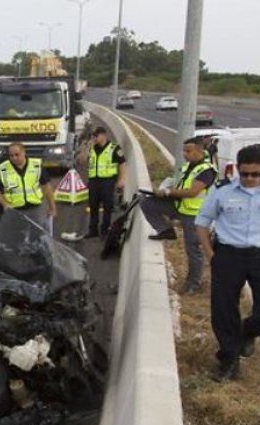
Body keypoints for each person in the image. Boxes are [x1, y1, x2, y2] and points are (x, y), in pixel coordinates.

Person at [195, 144, 260, 382]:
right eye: (245, 174)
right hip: (227, 255)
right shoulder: (223, 192)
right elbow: (202, 222)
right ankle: (229, 360)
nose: (250, 179)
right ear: (238, 170)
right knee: (223, 311)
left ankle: (247, 331)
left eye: (255, 174)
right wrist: (211, 255)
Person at [141, 137, 217, 294]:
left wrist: (168, 192)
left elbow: (193, 192)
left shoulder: (206, 170)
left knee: (193, 249)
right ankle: (165, 230)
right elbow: (181, 185)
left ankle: (193, 284)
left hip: (195, 216)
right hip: (179, 206)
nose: (185, 154)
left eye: (188, 151)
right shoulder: (188, 167)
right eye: (184, 151)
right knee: (147, 203)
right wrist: (166, 189)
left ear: (199, 151)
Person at [0, 142, 57, 233]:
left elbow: (46, 187)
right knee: (17, 236)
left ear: (24, 152)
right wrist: (5, 204)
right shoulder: (3, 169)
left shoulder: (36, 165)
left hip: (35, 209)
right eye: (11, 155)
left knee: (39, 235)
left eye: (17, 155)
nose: (14, 158)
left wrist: (52, 208)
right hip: (15, 211)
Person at [86, 127, 127, 238]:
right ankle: (93, 230)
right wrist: (87, 147)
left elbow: (122, 163)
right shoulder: (92, 148)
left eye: (96, 136)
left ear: (103, 135)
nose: (94, 138)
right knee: (93, 206)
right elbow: (81, 160)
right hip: (93, 181)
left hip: (107, 181)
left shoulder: (114, 148)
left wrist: (122, 179)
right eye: (93, 136)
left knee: (107, 207)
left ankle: (105, 230)